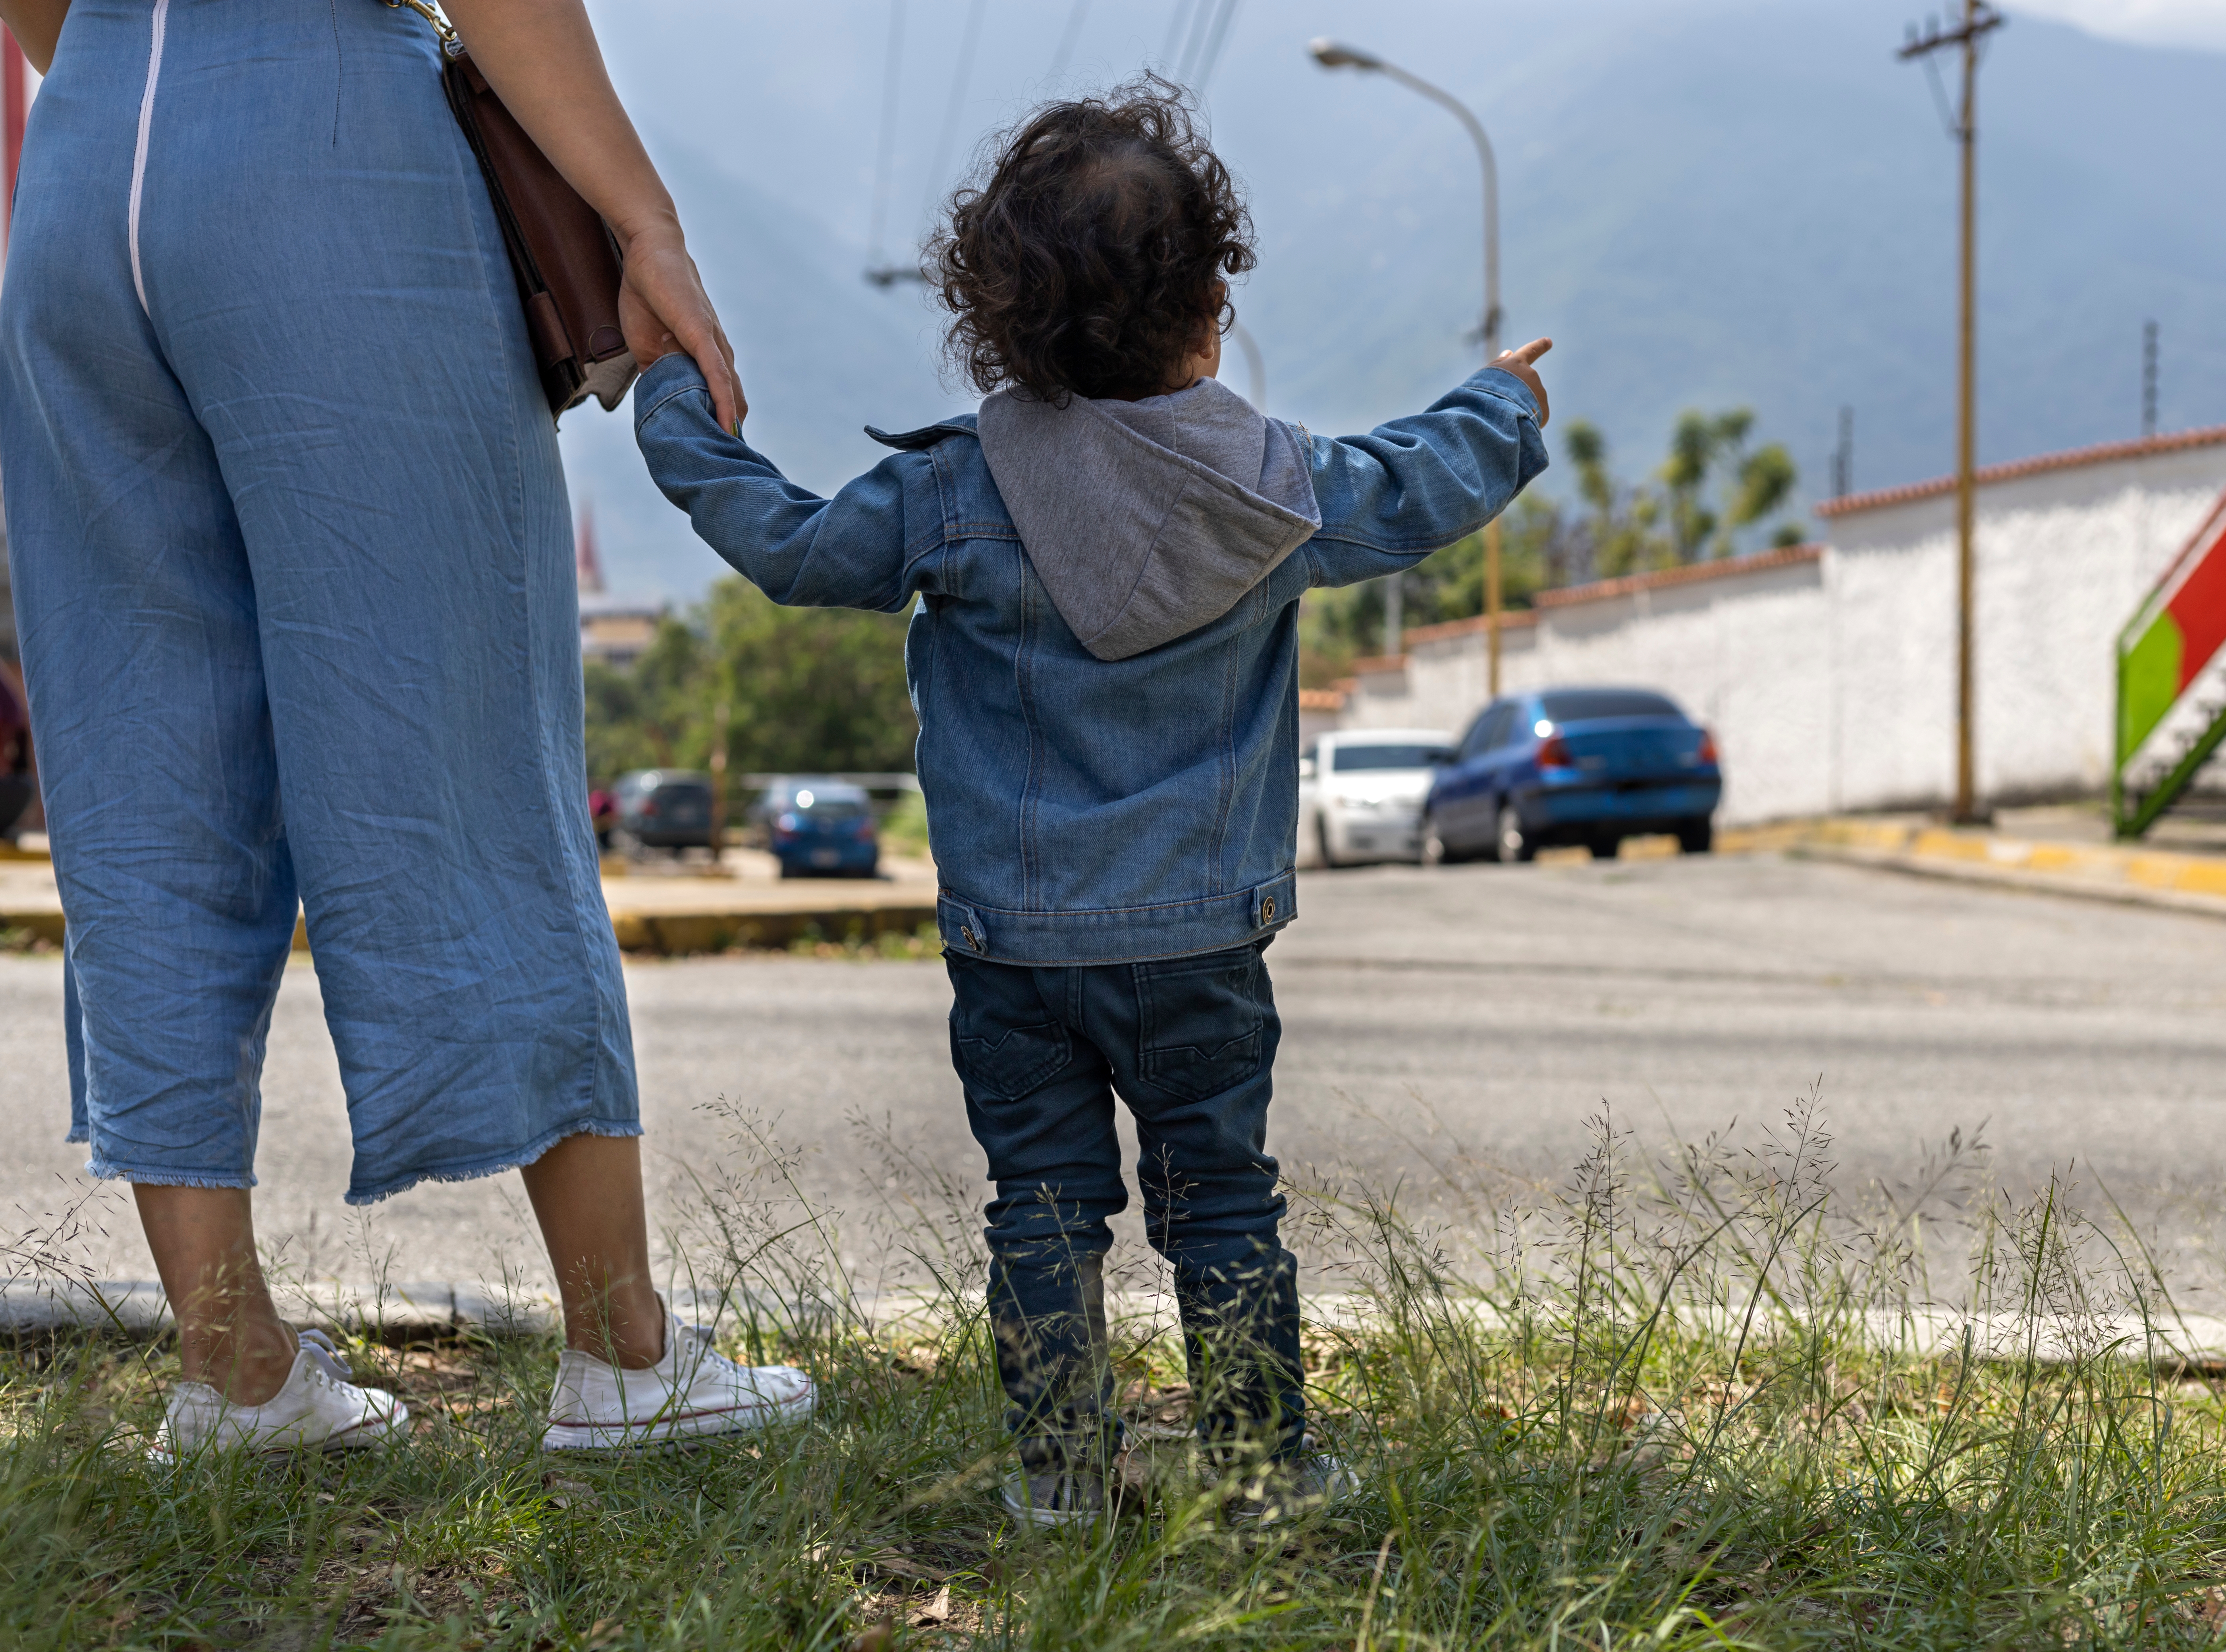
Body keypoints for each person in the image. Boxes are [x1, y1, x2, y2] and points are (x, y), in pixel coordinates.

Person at [635, 81, 1552, 1525]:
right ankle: (1261, 1471)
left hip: (1014, 946)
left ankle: (1063, 1481)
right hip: (1202, 940)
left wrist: (674, 405)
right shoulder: (1278, 490)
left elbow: (789, 543)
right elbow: (1428, 481)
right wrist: (1508, 396)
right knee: (1225, 1203)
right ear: (1207, 305)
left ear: (996, 317)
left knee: (1044, 1209)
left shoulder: (948, 494)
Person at [0, 0, 808, 1459]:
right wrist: (643, 222)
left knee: (144, 770)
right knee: (460, 741)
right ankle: (623, 1353)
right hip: (324, 157)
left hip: (83, 159)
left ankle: (235, 1374)